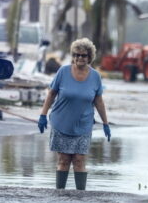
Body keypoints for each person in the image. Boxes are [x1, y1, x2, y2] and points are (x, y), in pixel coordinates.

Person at [37, 38, 111, 190]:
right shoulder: (63, 72)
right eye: (76, 55)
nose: (79, 58)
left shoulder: (95, 76)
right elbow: (51, 94)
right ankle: (60, 194)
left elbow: (99, 101)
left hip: (83, 125)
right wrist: (43, 115)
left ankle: (80, 197)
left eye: (83, 55)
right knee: (63, 160)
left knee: (79, 160)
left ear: (89, 57)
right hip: (61, 122)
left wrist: (105, 123)